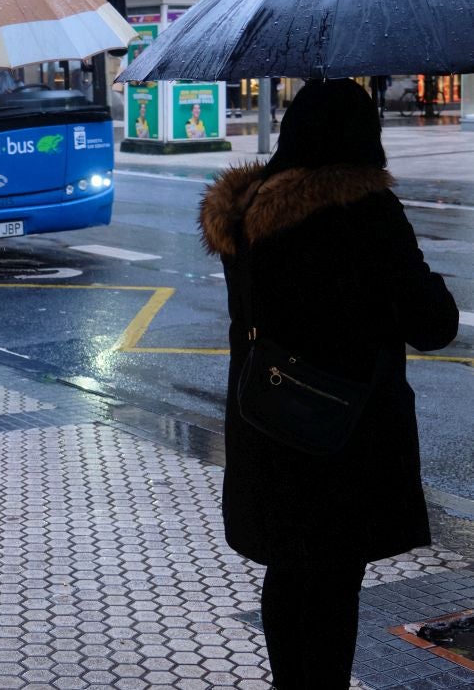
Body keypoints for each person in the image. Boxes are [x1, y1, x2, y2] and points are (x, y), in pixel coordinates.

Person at [198, 79, 457, 689]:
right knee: (334, 582)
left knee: (289, 573)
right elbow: (433, 325)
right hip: (341, 431)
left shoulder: (247, 206)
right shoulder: (363, 210)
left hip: (267, 417)